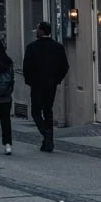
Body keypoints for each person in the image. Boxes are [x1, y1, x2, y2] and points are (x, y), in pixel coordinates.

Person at [22, 19, 69, 153]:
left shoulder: (32, 47)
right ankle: (48, 142)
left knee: (35, 111)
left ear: (42, 31)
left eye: (37, 29)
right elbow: (64, 67)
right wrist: (57, 80)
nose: (36, 31)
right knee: (48, 110)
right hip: (51, 85)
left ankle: (46, 134)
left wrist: (29, 81)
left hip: (36, 85)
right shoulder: (58, 47)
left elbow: (26, 67)